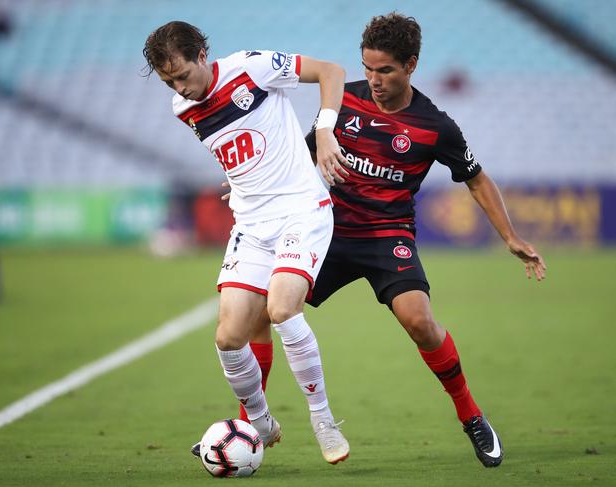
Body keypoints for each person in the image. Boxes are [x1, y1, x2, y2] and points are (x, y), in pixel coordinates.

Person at [193, 12, 547, 468]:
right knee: (260, 313)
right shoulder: (345, 101)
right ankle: (246, 430)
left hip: (387, 234)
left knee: (420, 321)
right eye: (367, 69)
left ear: (411, 65)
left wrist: (511, 236)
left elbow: (476, 178)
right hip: (327, 229)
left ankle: (472, 415)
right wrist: (250, 182)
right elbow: (297, 149)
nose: (374, 80)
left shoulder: (435, 126)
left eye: (386, 71)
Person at [142, 21, 351, 465]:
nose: (180, 87)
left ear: (202, 55)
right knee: (228, 337)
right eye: (169, 81)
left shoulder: (252, 69)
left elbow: (332, 71)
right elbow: (241, 145)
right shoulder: (183, 107)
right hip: (252, 225)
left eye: (182, 74)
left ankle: (323, 418)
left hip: (301, 210)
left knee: (281, 309)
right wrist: (240, 180)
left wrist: (326, 130)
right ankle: (261, 422)